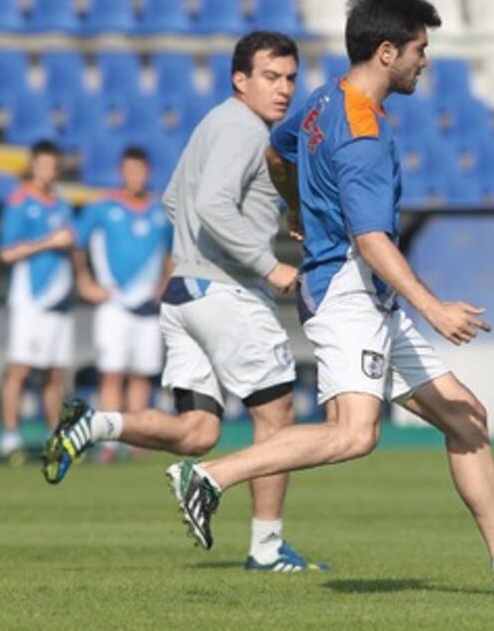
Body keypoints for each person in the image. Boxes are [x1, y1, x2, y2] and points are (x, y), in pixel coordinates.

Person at [163, 0, 494, 572]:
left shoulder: (323, 99)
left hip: (368, 295)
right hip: (347, 293)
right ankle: (209, 475)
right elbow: (371, 241)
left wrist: (297, 208)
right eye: (420, 48)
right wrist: (435, 308)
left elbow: (277, 154)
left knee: (465, 416)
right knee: (353, 434)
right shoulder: (361, 133)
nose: (425, 61)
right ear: (387, 52)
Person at [42, 32, 326, 572]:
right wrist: (266, 263)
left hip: (183, 293)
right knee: (278, 418)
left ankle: (95, 425)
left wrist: (203, 252)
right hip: (223, 292)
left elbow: (175, 201)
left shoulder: (214, 122)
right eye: (271, 77)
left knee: (198, 431)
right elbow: (213, 206)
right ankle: (267, 548)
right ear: (240, 80)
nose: (284, 89)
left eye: (291, 78)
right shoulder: (244, 128)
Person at [72, 146, 172, 457]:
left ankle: (137, 440)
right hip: (114, 302)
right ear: (121, 173)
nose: (135, 177)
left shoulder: (160, 211)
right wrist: (85, 281)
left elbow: (172, 252)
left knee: (142, 374)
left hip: (147, 306)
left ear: (147, 172)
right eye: (130, 171)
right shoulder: (101, 208)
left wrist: (165, 283)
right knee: (112, 373)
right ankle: (109, 442)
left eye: (140, 171)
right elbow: (76, 244)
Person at [0, 140, 74, 461]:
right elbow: (6, 253)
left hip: (60, 298)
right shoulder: (19, 201)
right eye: (42, 165)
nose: (47, 171)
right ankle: (10, 436)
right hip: (30, 298)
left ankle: (53, 436)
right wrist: (48, 243)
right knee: (20, 368)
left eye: (52, 166)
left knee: (54, 371)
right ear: (32, 166)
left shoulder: (62, 204)